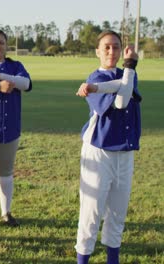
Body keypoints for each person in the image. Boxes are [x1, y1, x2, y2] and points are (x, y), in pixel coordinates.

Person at [74, 30, 141, 264]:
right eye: (106, 47)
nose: (112, 51)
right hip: (99, 151)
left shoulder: (128, 73)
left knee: (117, 215)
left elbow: (124, 88)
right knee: (91, 215)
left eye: (116, 47)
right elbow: (121, 103)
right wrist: (129, 69)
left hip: (124, 153)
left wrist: (129, 68)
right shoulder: (96, 76)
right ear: (97, 52)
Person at [0, 30, 32, 227]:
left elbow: (26, 84)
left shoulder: (15, 65)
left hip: (10, 131)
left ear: (6, 46)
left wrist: (1, 76)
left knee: (6, 173)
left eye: (1, 43)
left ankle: (6, 212)